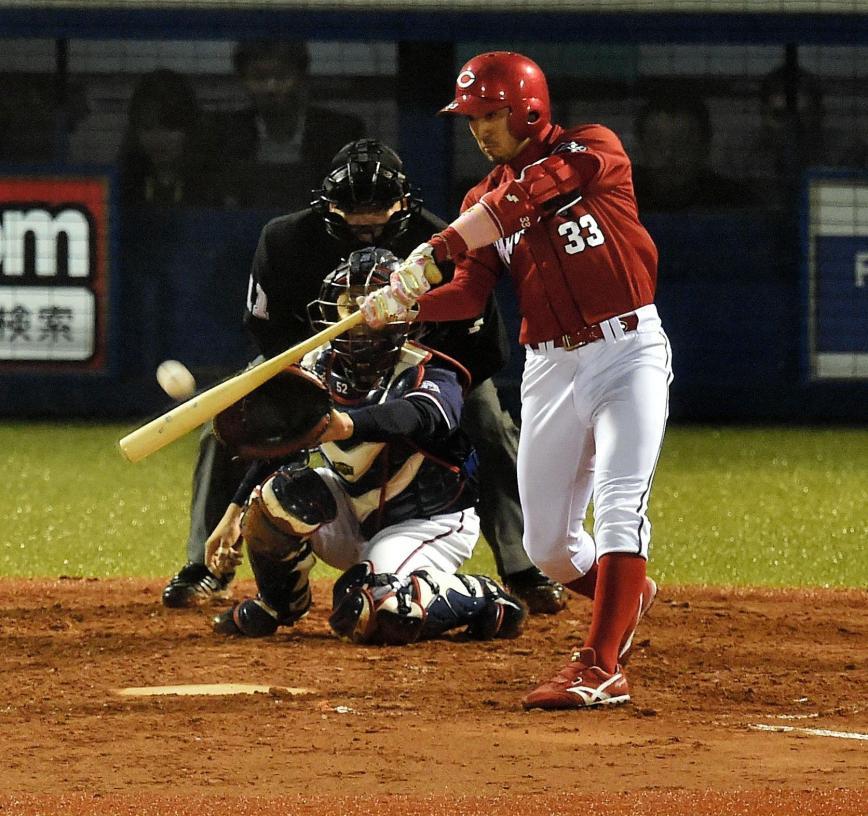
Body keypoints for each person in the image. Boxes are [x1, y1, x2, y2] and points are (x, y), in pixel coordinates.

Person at [359, 52, 673, 710]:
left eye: (490, 114)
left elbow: (529, 195)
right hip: (551, 367)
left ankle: (601, 664)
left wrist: (437, 247)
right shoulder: (480, 201)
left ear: (529, 106)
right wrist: (402, 306)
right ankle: (627, 592)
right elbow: (469, 296)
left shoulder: (594, 149)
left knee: (619, 504)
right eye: (470, 118)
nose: (478, 129)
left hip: (627, 352)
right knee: (549, 548)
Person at [161, 139, 566, 615]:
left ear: (403, 204)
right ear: (328, 206)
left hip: (423, 363)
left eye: (379, 212)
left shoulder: (440, 240)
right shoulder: (286, 239)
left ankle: (521, 565)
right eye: (353, 213)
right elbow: (270, 334)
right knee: (227, 425)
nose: (366, 224)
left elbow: (478, 344)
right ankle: (208, 564)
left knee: (492, 427)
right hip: (314, 359)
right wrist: (308, 384)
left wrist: (424, 383)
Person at [204, 247, 527, 646]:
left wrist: (348, 425)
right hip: (355, 513)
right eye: (348, 302)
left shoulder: (431, 368)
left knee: (375, 611)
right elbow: (285, 441)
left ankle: (480, 595)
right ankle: (278, 604)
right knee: (277, 496)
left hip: (426, 522)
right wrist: (234, 513)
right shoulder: (318, 365)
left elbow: (423, 415)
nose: (359, 314)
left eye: (371, 300)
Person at [208, 39, 365, 210]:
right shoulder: (223, 133)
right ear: (243, 80)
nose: (271, 87)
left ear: (301, 77)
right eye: (259, 78)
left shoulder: (339, 131)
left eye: (282, 76)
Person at [747, 61, 868, 211]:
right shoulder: (743, 157)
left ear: (820, 115)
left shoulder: (844, 153)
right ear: (763, 116)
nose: (792, 127)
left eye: (803, 115)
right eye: (780, 116)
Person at [632, 87, 748, 212]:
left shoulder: (735, 205)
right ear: (641, 146)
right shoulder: (617, 200)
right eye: (657, 143)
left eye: (681, 143)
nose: (668, 154)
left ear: (704, 147)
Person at [118, 69, 218, 206]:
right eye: (147, 128)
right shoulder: (123, 185)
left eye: (169, 128)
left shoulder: (212, 186)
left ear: (189, 129)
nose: (157, 139)